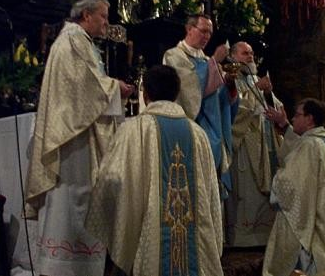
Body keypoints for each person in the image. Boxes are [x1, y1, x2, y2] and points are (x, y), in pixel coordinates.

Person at [24, 0, 135, 276]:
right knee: (75, 196)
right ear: (86, 16)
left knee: (79, 197)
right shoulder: (73, 40)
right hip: (74, 138)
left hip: (78, 132)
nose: (107, 23)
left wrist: (110, 87)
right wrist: (115, 88)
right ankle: (67, 264)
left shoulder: (77, 41)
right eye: (103, 17)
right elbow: (84, 87)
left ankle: (72, 262)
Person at [85, 65, 224, 276]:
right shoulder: (198, 134)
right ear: (177, 94)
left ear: (145, 93)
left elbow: (112, 180)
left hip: (150, 243)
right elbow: (211, 192)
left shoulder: (134, 130)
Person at [263, 98, 325, 276]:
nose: (293, 119)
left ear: (309, 119)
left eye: (298, 115)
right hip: (323, 219)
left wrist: (277, 176)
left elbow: (290, 184)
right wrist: (283, 125)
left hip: (309, 226)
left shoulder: (309, 145)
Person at [163, 14, 238, 196]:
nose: (207, 37)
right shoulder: (174, 55)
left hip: (214, 133)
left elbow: (219, 102)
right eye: (203, 31)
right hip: (191, 130)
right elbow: (186, 89)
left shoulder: (206, 61)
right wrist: (215, 62)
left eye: (210, 33)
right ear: (189, 29)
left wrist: (228, 86)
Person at [225, 41, 284, 247]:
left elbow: (276, 109)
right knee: (248, 191)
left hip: (265, 143)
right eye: (244, 53)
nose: (250, 57)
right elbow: (233, 111)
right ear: (232, 57)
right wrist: (255, 91)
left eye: (251, 53)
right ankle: (243, 238)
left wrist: (267, 93)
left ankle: (265, 234)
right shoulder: (233, 80)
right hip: (244, 146)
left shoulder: (257, 80)